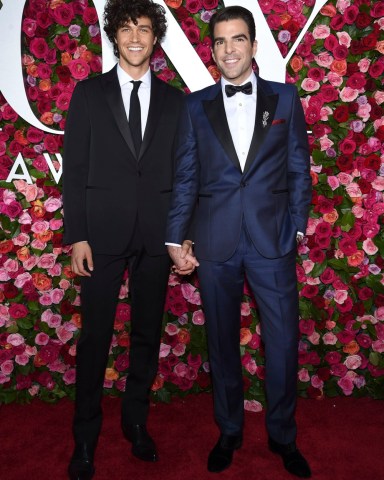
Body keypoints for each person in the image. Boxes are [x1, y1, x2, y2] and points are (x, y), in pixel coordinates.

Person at [167, 5, 312, 479]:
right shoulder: (196, 105)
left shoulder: (285, 100)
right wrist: (176, 236)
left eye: (238, 40)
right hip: (215, 242)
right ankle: (229, 430)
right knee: (223, 343)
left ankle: (282, 435)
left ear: (253, 45)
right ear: (212, 50)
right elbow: (187, 176)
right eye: (220, 42)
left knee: (284, 342)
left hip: (273, 241)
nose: (229, 49)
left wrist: (294, 228)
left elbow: (297, 169)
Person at [63, 1, 194, 478]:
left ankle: (136, 424)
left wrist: (182, 236)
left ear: (155, 39)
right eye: (126, 29)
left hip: (157, 237)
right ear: (113, 37)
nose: (135, 37)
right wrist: (77, 236)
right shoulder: (89, 94)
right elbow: (74, 172)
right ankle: (84, 439)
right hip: (100, 236)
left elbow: (186, 175)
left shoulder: (176, 101)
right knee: (96, 337)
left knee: (145, 335)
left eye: (143, 28)